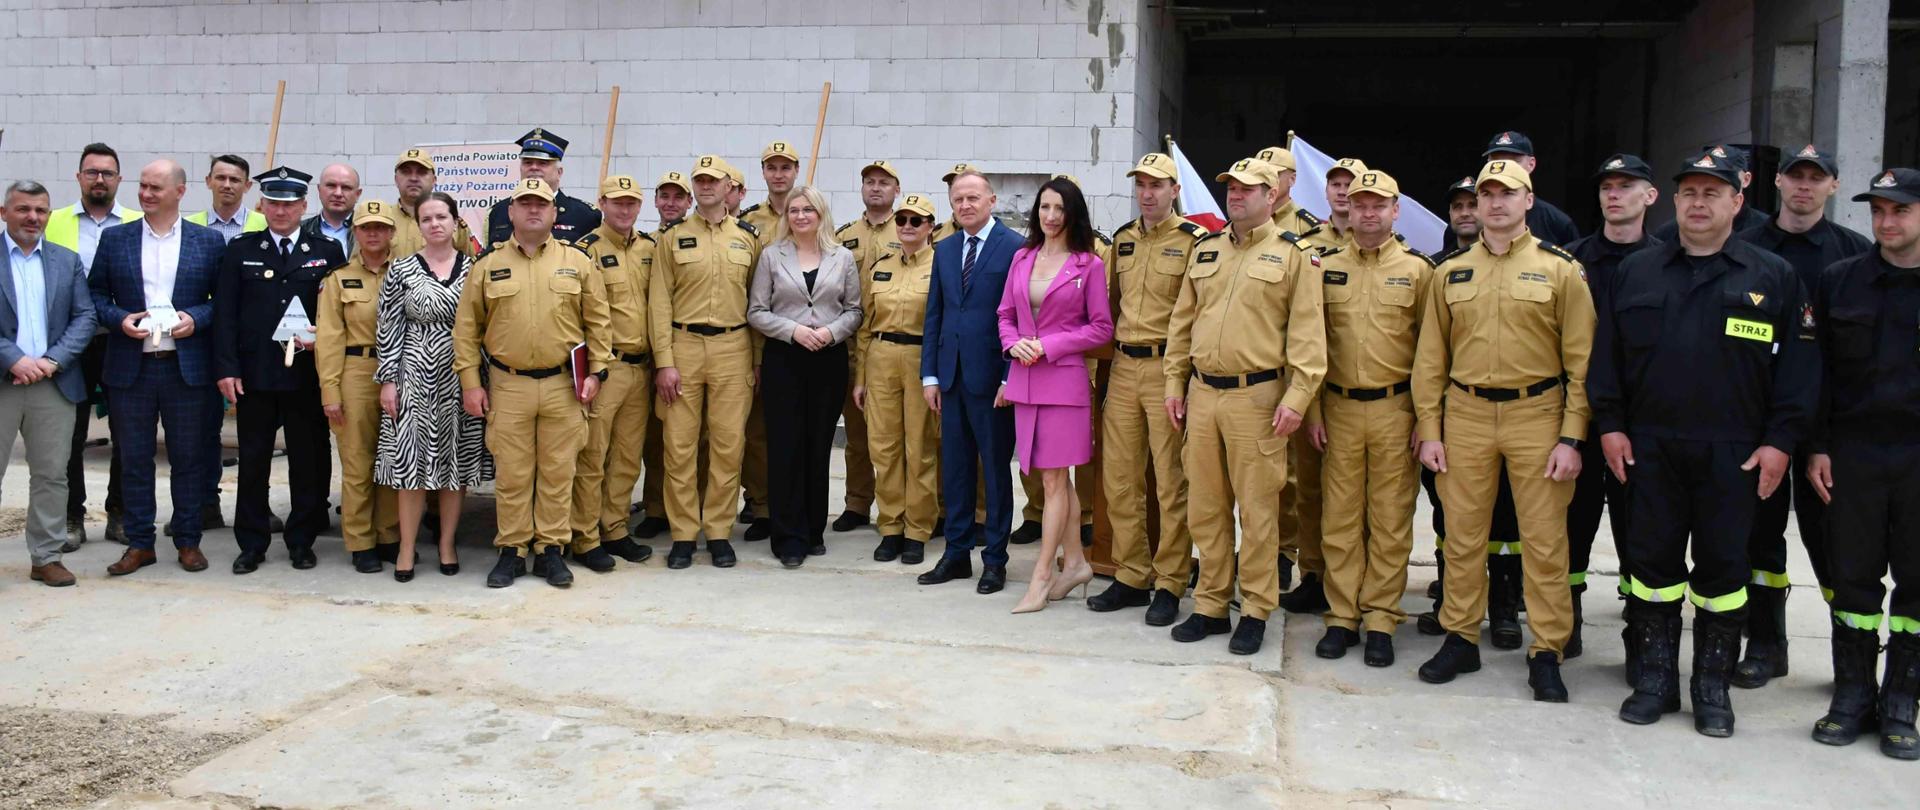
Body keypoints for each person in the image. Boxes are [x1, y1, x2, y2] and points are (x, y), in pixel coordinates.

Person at [1590, 150, 1815, 737]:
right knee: (1651, 568)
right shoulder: (1636, 271)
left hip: (1734, 452)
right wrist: (1609, 424)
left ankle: (1711, 687)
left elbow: (1797, 369)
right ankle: (1656, 680)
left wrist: (1780, 443)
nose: (1698, 203)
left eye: (1712, 193)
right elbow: (1605, 359)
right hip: (1650, 448)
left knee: (1724, 571)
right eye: (1689, 191)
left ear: (1737, 203)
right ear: (1673, 200)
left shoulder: (1771, 276)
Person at [1412, 159, 1592, 702]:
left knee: (1543, 540)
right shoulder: (1449, 272)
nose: (1494, 203)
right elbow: (1430, 360)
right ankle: (1460, 636)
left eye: (1506, 193)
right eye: (1486, 194)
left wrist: (1572, 436)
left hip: (1537, 413)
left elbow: (1581, 361)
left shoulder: (1560, 269)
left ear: (1528, 201)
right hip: (1464, 414)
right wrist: (1430, 428)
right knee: (1461, 536)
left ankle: (1547, 650)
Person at [1163, 157, 1327, 656]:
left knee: (1258, 512)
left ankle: (1256, 607)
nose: (1236, 195)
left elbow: (1308, 336)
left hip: (1258, 397)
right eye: (1231, 188)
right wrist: (1175, 382)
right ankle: (1211, 603)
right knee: (1206, 506)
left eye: (1248, 189)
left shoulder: (1295, 255)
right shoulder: (1206, 250)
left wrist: (1298, 398)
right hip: (1204, 394)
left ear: (1271, 195)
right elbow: (1182, 323)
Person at [1732, 144, 1872, 689]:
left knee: (1833, 540)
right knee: (1760, 538)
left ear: (1833, 187)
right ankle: (1766, 646)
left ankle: (1851, 659)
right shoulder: (1743, 248)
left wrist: (1825, 438)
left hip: (1826, 427)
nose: (1804, 187)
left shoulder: (1852, 256)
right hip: (1757, 421)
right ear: (1779, 184)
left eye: (1817, 178)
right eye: (1795, 177)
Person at [1806, 167, 1920, 760]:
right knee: (1851, 578)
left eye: (1899, 210)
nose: (1886, 221)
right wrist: (1817, 444)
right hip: (1853, 452)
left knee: (1917, 584)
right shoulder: (1840, 281)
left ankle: (1902, 702)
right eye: (1878, 210)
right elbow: (1816, 372)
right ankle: (1852, 694)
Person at [1305, 169, 1432, 667]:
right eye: (1359, 204)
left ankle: (1380, 617)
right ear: (1348, 211)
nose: (1368, 212)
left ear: (1396, 210)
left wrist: (1427, 420)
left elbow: (1431, 353)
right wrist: (1312, 408)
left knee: (1390, 521)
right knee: (1338, 519)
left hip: (1395, 410)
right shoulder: (1323, 265)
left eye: (1378, 204)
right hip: (1336, 408)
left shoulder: (1420, 271)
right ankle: (1341, 617)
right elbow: (1311, 345)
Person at [458, 178, 608, 588]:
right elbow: (467, 330)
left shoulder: (577, 262)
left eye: (541, 204)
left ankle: (551, 550)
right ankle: (512, 549)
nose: (533, 210)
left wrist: (595, 372)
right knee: (513, 473)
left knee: (559, 471)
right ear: (511, 212)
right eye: (524, 203)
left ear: (555, 212)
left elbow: (598, 322)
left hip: (564, 384)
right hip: (509, 384)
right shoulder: (487, 265)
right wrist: (472, 384)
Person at [1087, 153, 1208, 624]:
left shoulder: (1194, 242)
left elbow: (1197, 313)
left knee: (1170, 482)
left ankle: (1171, 581)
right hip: (1123, 369)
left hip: (1167, 371)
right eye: (1141, 184)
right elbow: (1109, 309)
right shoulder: (1122, 241)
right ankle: (1132, 573)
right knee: (1119, 479)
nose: (1148, 193)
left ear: (1175, 190)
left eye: (1158, 185)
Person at [91, 159, 227, 577]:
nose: (146, 194)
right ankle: (139, 543)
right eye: (143, 186)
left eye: (155, 188)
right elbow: (95, 293)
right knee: (133, 458)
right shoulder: (116, 239)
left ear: (180, 192)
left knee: (189, 459)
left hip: (185, 367)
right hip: (131, 367)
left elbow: (221, 301)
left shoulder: (207, 242)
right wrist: (119, 319)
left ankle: (187, 540)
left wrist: (195, 319)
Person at [214, 166, 346, 574]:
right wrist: (227, 368)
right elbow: (225, 315)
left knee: (308, 461)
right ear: (262, 204)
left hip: (306, 375)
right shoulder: (241, 249)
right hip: (255, 375)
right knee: (253, 461)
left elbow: (338, 316)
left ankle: (302, 539)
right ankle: (251, 542)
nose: (281, 211)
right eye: (273, 202)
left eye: (289, 204)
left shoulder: (326, 251)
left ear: (304, 205)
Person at [996, 178, 1113, 612]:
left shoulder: (1089, 264)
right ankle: (1077, 563)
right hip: (1026, 378)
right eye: (1044, 207)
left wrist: (1049, 344)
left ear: (1072, 213)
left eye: (1059, 208)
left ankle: (1042, 575)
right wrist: (1013, 344)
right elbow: (1005, 314)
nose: (1050, 216)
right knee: (1052, 478)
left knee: (1052, 479)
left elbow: (1102, 328)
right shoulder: (1022, 257)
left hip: (1063, 381)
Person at [1562, 154, 1662, 655]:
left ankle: (1639, 630)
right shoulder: (1570, 261)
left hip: (1640, 422)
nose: (1614, 194)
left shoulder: (1668, 263)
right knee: (1570, 523)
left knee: (1638, 531)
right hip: (1579, 416)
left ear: (1650, 196)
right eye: (1607, 186)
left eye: (1626, 186)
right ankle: (1568, 619)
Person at [650, 156, 762, 570]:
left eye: (714, 180)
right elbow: (659, 303)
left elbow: (757, 304)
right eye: (699, 179)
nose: (706, 186)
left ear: (729, 186)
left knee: (728, 445)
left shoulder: (748, 238)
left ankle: (717, 530)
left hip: (734, 348)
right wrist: (664, 361)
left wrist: (757, 360)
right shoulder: (673, 238)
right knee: (679, 446)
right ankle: (682, 534)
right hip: (683, 347)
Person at [376, 192, 493, 580]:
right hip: (413, 375)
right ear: (419, 225)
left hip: (461, 377)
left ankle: (446, 542)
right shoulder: (401, 270)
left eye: (442, 216)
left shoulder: (476, 268)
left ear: (456, 220)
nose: (435, 224)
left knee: (453, 466)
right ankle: (407, 548)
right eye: (426, 219)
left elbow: (487, 325)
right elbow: (389, 327)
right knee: (411, 467)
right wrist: (389, 380)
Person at [918, 169, 1024, 594]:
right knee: (956, 470)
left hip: (993, 381)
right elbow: (935, 316)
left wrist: (1008, 377)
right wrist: (930, 375)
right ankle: (956, 553)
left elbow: (1019, 318)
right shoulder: (943, 250)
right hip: (951, 379)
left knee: (996, 472)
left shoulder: (1015, 248)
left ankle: (995, 559)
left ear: (992, 200)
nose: (965, 205)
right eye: (958, 199)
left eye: (973, 197)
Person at [748, 186, 863, 568]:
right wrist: (793, 331)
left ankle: (814, 530)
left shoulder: (842, 257)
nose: (800, 216)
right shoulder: (771, 256)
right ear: (787, 217)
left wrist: (831, 333)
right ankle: (788, 536)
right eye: (794, 210)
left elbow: (855, 310)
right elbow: (757, 311)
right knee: (786, 446)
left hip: (827, 359)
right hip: (786, 357)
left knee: (818, 445)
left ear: (820, 215)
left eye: (808, 210)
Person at [2, 180, 98, 586]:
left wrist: (52, 360)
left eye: (41, 210)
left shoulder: (65, 259)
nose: (33, 218)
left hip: (52, 382)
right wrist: (14, 359)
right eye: (24, 209)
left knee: (52, 475)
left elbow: (86, 317)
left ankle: (46, 556)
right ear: (4, 212)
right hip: (4, 381)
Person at [46, 142, 138, 548]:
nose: (99, 179)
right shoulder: (53, 221)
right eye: (92, 172)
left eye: (108, 173)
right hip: (69, 345)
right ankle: (72, 517)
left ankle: (119, 513)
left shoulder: (138, 221)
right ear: (79, 177)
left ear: (119, 179)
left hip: (121, 341)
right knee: (70, 433)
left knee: (127, 432)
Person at [567, 175, 658, 569]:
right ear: (601, 202)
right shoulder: (583, 251)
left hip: (643, 368)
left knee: (626, 457)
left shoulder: (651, 249)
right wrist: (593, 371)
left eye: (631, 203)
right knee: (593, 456)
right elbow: (579, 316)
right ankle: (585, 537)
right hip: (607, 369)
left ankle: (615, 529)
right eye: (617, 202)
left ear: (640, 207)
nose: (624, 210)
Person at [316, 199, 403, 574]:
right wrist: (330, 393)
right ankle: (361, 539)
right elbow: (329, 340)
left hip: (399, 372)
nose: (373, 233)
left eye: (380, 227)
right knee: (357, 462)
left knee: (391, 461)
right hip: (356, 371)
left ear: (391, 233)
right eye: (366, 227)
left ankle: (388, 534)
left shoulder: (405, 273)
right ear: (356, 232)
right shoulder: (338, 280)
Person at [854, 192, 940, 565]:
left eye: (916, 221)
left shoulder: (942, 266)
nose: (907, 227)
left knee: (919, 449)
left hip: (921, 358)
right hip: (881, 358)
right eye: (902, 220)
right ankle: (890, 525)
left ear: (930, 228)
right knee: (884, 448)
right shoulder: (880, 266)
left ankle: (917, 529)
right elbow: (864, 326)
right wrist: (861, 377)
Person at [829, 159, 903, 536]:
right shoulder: (844, 236)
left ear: (896, 190)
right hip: (850, 346)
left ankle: (901, 509)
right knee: (857, 435)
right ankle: (857, 503)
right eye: (869, 182)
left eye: (884, 182)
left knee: (894, 436)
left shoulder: (909, 227)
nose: (876, 188)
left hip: (892, 344)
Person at [738, 140, 802, 544]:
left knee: (796, 431)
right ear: (763, 173)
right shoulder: (748, 222)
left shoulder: (807, 212)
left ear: (796, 171)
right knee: (757, 432)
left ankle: (793, 504)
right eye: (771, 168)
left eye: (785, 167)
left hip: (799, 338)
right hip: (754, 336)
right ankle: (760, 505)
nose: (778, 174)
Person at [634, 170, 695, 540]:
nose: (671, 203)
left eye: (678, 196)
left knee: (690, 440)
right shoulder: (644, 244)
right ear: (655, 201)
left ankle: (691, 509)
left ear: (688, 202)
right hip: (643, 357)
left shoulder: (691, 240)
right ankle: (656, 507)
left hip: (680, 353)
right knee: (654, 440)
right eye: (664, 196)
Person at [485, 128, 601, 245]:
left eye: (543, 163)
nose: (534, 167)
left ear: (559, 172)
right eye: (528, 162)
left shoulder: (585, 215)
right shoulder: (498, 212)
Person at [1481, 131, 1580, 245]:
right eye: (1497, 162)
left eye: (1513, 162)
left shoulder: (1556, 223)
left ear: (1531, 164)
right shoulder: (1474, 217)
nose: (1505, 169)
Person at [1650, 144, 1768, 240]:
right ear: (1676, 200)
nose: (1698, 203)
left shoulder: (1764, 229)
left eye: (1728, 173)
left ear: (1746, 179)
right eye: (1690, 193)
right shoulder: (1668, 233)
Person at [389, 149, 479, 258]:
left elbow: (473, 268)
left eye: (421, 172)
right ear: (396, 179)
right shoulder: (382, 221)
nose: (413, 178)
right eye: (406, 172)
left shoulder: (454, 225)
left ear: (434, 180)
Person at [186, 154, 266, 241]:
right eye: (221, 178)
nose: (227, 185)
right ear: (208, 181)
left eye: (234, 180)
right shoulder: (187, 225)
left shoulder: (266, 225)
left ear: (247, 186)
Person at [302, 164, 360, 256]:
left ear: (358, 194)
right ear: (319, 190)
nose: (338, 193)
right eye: (331, 186)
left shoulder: (371, 233)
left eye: (346, 187)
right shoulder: (299, 231)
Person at [1317, 158, 1369, 252]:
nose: (1341, 192)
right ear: (1326, 190)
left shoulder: (1382, 242)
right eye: (1336, 184)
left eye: (1349, 185)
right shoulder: (1308, 240)